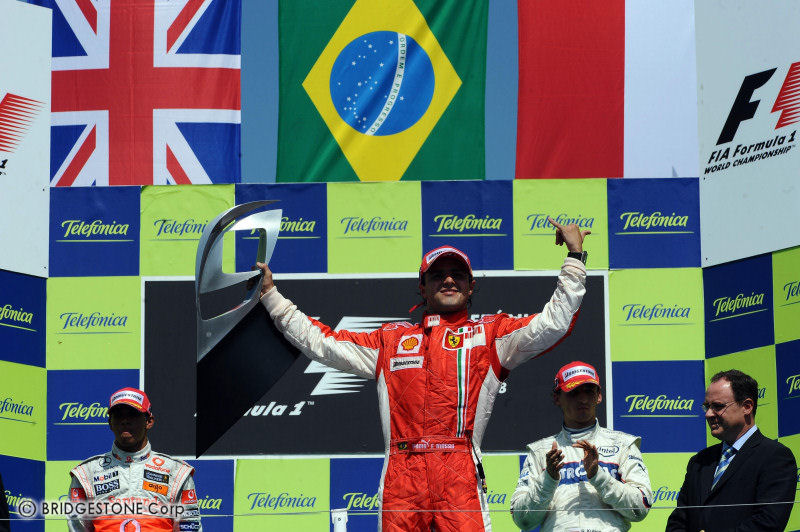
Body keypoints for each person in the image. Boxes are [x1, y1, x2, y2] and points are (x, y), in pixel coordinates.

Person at [255, 216, 589, 531]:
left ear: (471, 287)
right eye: (437, 275)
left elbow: (554, 323)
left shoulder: (490, 336)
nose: (448, 280)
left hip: (459, 472)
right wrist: (271, 296)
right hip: (402, 474)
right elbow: (322, 343)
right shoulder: (391, 340)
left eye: (457, 274)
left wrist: (574, 258)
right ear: (423, 287)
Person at [510, 361, 652, 531]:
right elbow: (522, 519)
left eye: (589, 392)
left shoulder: (623, 445)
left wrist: (598, 476)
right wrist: (548, 478)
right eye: (574, 392)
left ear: (599, 396)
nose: (583, 399)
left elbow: (640, 508)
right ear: (557, 398)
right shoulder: (541, 451)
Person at [666, 369, 797, 531]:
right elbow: (678, 521)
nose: (708, 414)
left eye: (717, 406)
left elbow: (768, 522)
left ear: (747, 406)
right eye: (707, 406)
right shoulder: (700, 461)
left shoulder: (774, 456)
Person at [68, 387, 202, 532]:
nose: (125, 421)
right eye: (118, 415)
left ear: (149, 421)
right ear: (110, 423)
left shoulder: (176, 471)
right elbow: (77, 528)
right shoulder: (87, 473)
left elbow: (189, 527)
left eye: (132, 414)